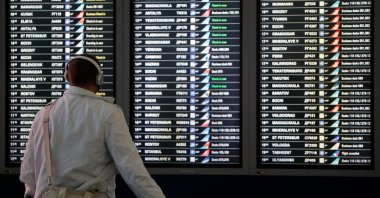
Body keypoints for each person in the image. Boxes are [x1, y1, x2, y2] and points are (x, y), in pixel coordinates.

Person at [20, 54, 166, 198]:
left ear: (67, 77)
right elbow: (133, 171)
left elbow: (28, 172)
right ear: (99, 79)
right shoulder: (108, 113)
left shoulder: (43, 115)